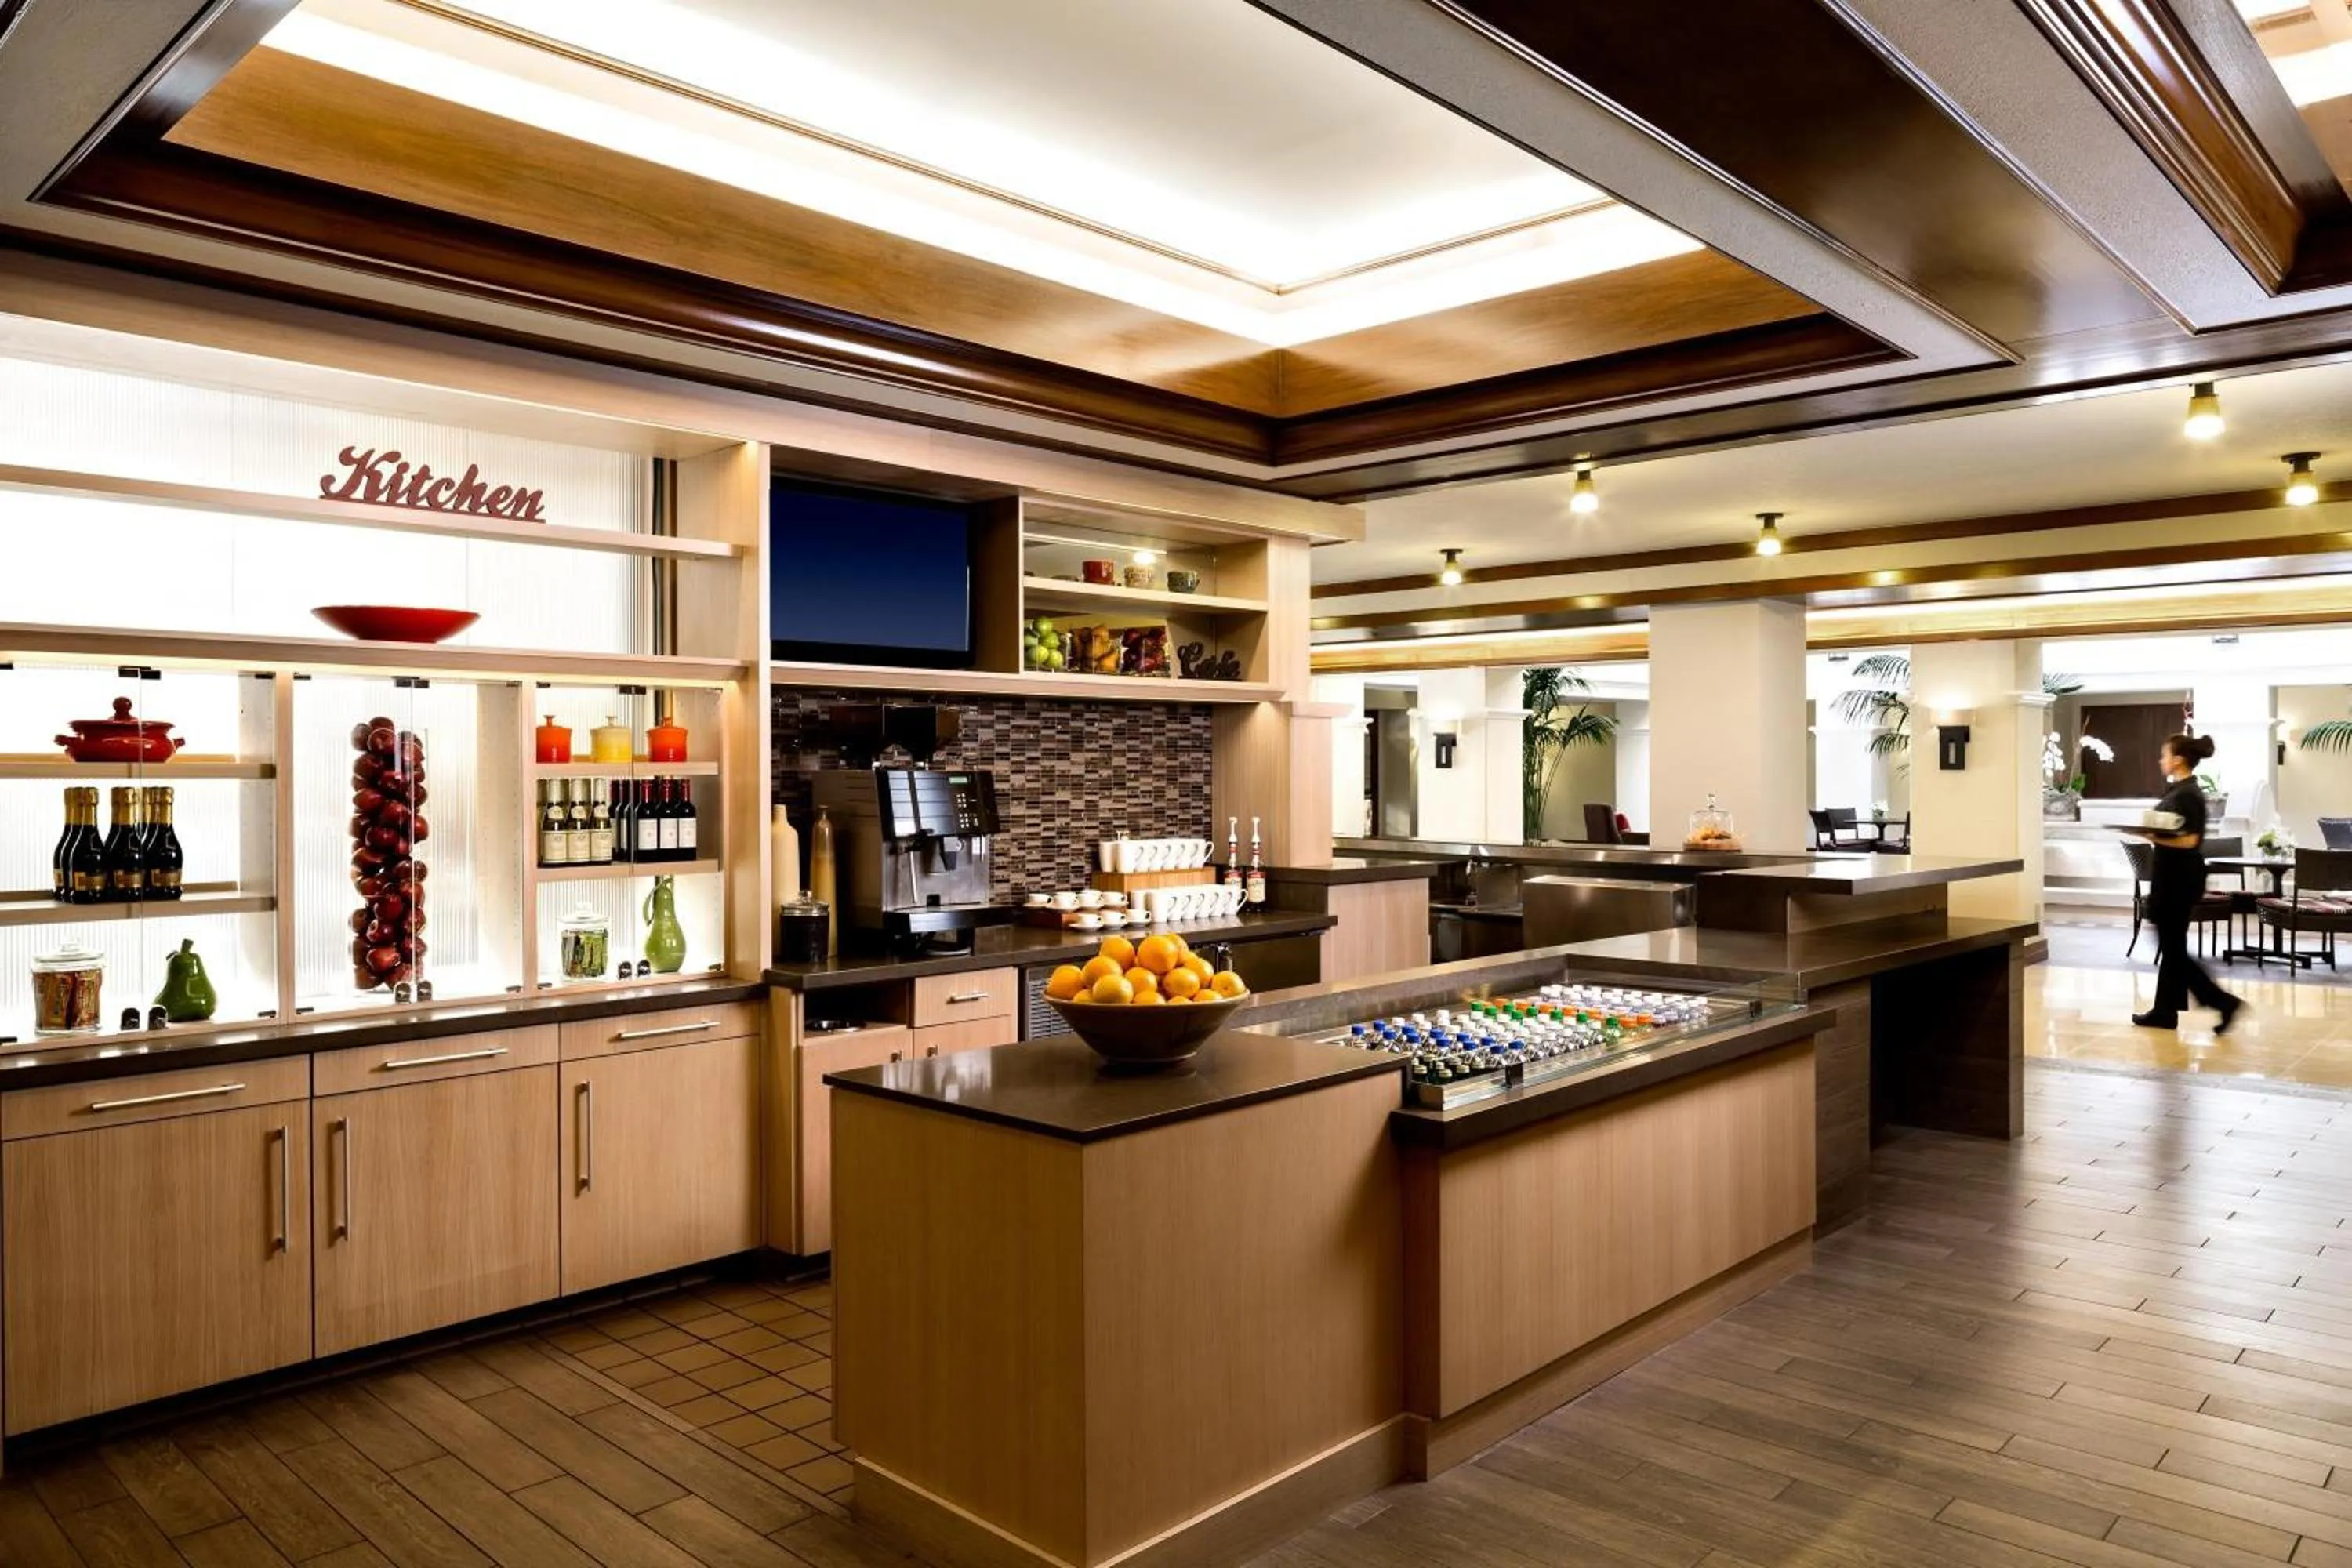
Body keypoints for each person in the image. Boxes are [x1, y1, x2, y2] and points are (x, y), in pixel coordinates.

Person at [2133, 732, 2244, 1033]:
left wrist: (2151, 835)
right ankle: (2165, 1011)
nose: (2161, 760)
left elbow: (2190, 841)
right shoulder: (2181, 792)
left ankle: (2222, 1002)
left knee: (2174, 950)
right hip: (2173, 878)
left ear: (2178, 759)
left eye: (2164, 755)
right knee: (2173, 948)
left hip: (2178, 881)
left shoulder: (2187, 795)